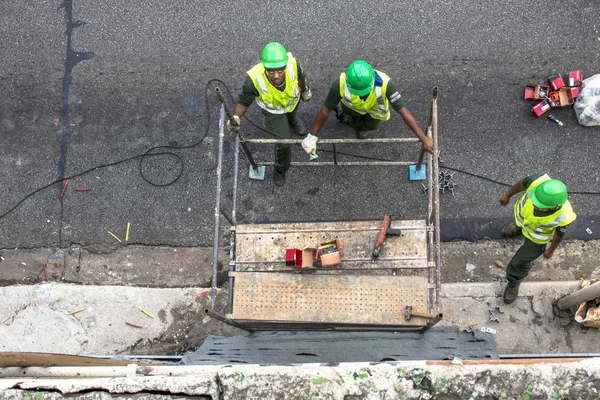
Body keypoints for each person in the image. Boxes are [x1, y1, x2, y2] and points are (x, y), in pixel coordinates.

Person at [301, 60, 433, 159]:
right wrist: (312, 137)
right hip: (351, 107)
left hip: (374, 112)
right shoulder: (341, 83)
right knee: (346, 118)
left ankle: (357, 124)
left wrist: (423, 138)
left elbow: (403, 112)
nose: (360, 95)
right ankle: (340, 111)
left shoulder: (385, 83)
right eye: (356, 92)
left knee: (370, 126)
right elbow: (324, 111)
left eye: (364, 92)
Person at [227, 42, 312, 187]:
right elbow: (243, 103)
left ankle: (293, 121)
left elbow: (301, 78)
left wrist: (304, 90)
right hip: (274, 113)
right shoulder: (253, 80)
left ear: (285, 65)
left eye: (280, 71)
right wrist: (236, 117)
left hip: (292, 103)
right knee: (283, 144)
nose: (276, 76)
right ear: (264, 67)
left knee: (292, 115)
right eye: (271, 71)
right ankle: (280, 170)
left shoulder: (292, 63)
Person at [499, 173, 577, 304]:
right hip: (523, 220)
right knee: (521, 224)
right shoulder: (539, 181)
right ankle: (518, 228)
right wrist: (508, 195)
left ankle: (514, 282)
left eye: (539, 204)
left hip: (537, 239)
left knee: (521, 262)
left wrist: (551, 249)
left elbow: (559, 235)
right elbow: (522, 183)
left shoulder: (565, 216)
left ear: (555, 207)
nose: (534, 203)